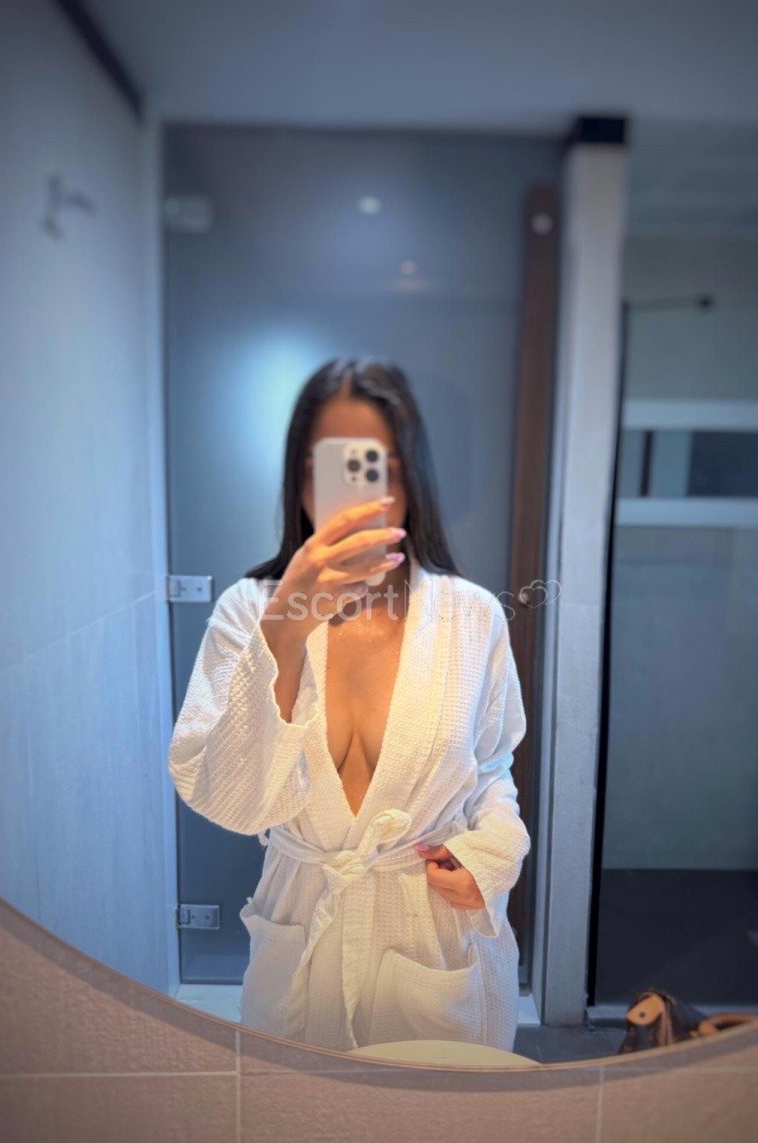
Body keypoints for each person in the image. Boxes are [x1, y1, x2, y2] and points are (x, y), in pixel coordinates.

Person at [167, 357, 531, 1053]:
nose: (361, 492)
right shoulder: (248, 612)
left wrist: (491, 857)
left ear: (412, 477)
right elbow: (231, 803)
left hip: (431, 933)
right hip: (302, 933)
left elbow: (491, 767)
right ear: (301, 480)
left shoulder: (471, 615)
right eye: (334, 467)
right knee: (299, 1121)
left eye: (378, 467)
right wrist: (285, 625)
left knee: (439, 1120)